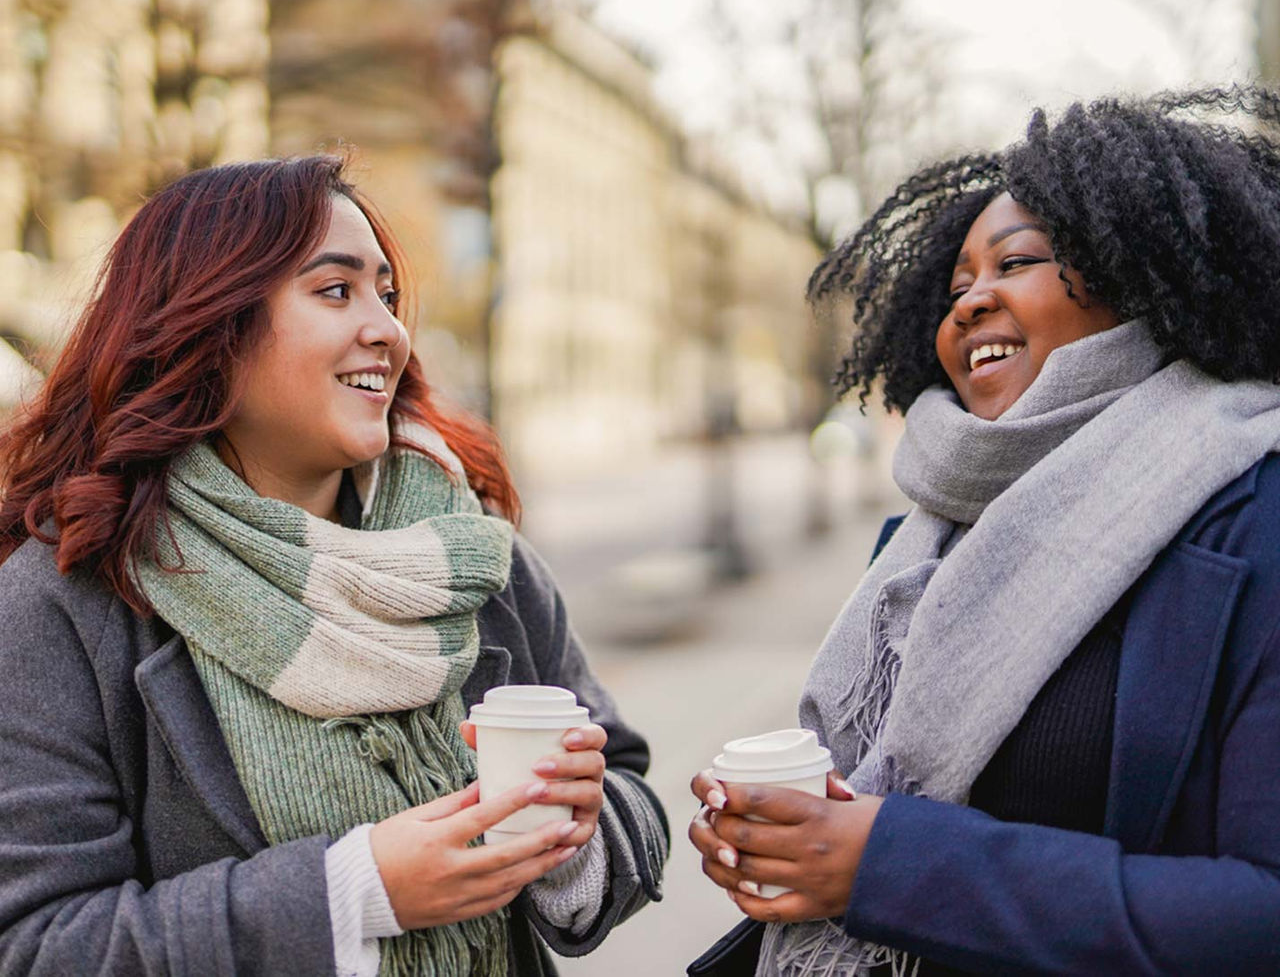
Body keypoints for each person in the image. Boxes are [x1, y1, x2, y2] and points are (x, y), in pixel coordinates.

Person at [0, 155, 667, 977]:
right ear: (209, 328)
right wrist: (352, 893)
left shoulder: (475, 558)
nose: (388, 328)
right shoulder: (65, 602)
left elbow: (627, 778)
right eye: (336, 290)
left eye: (386, 294)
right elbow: (38, 945)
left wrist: (569, 839)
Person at [688, 85, 1280, 976]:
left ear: (1138, 276)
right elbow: (876, 789)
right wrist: (785, 836)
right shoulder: (922, 536)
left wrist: (884, 864)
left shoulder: (1249, 513)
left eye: (1017, 263)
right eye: (958, 283)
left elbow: (1258, 915)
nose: (970, 303)